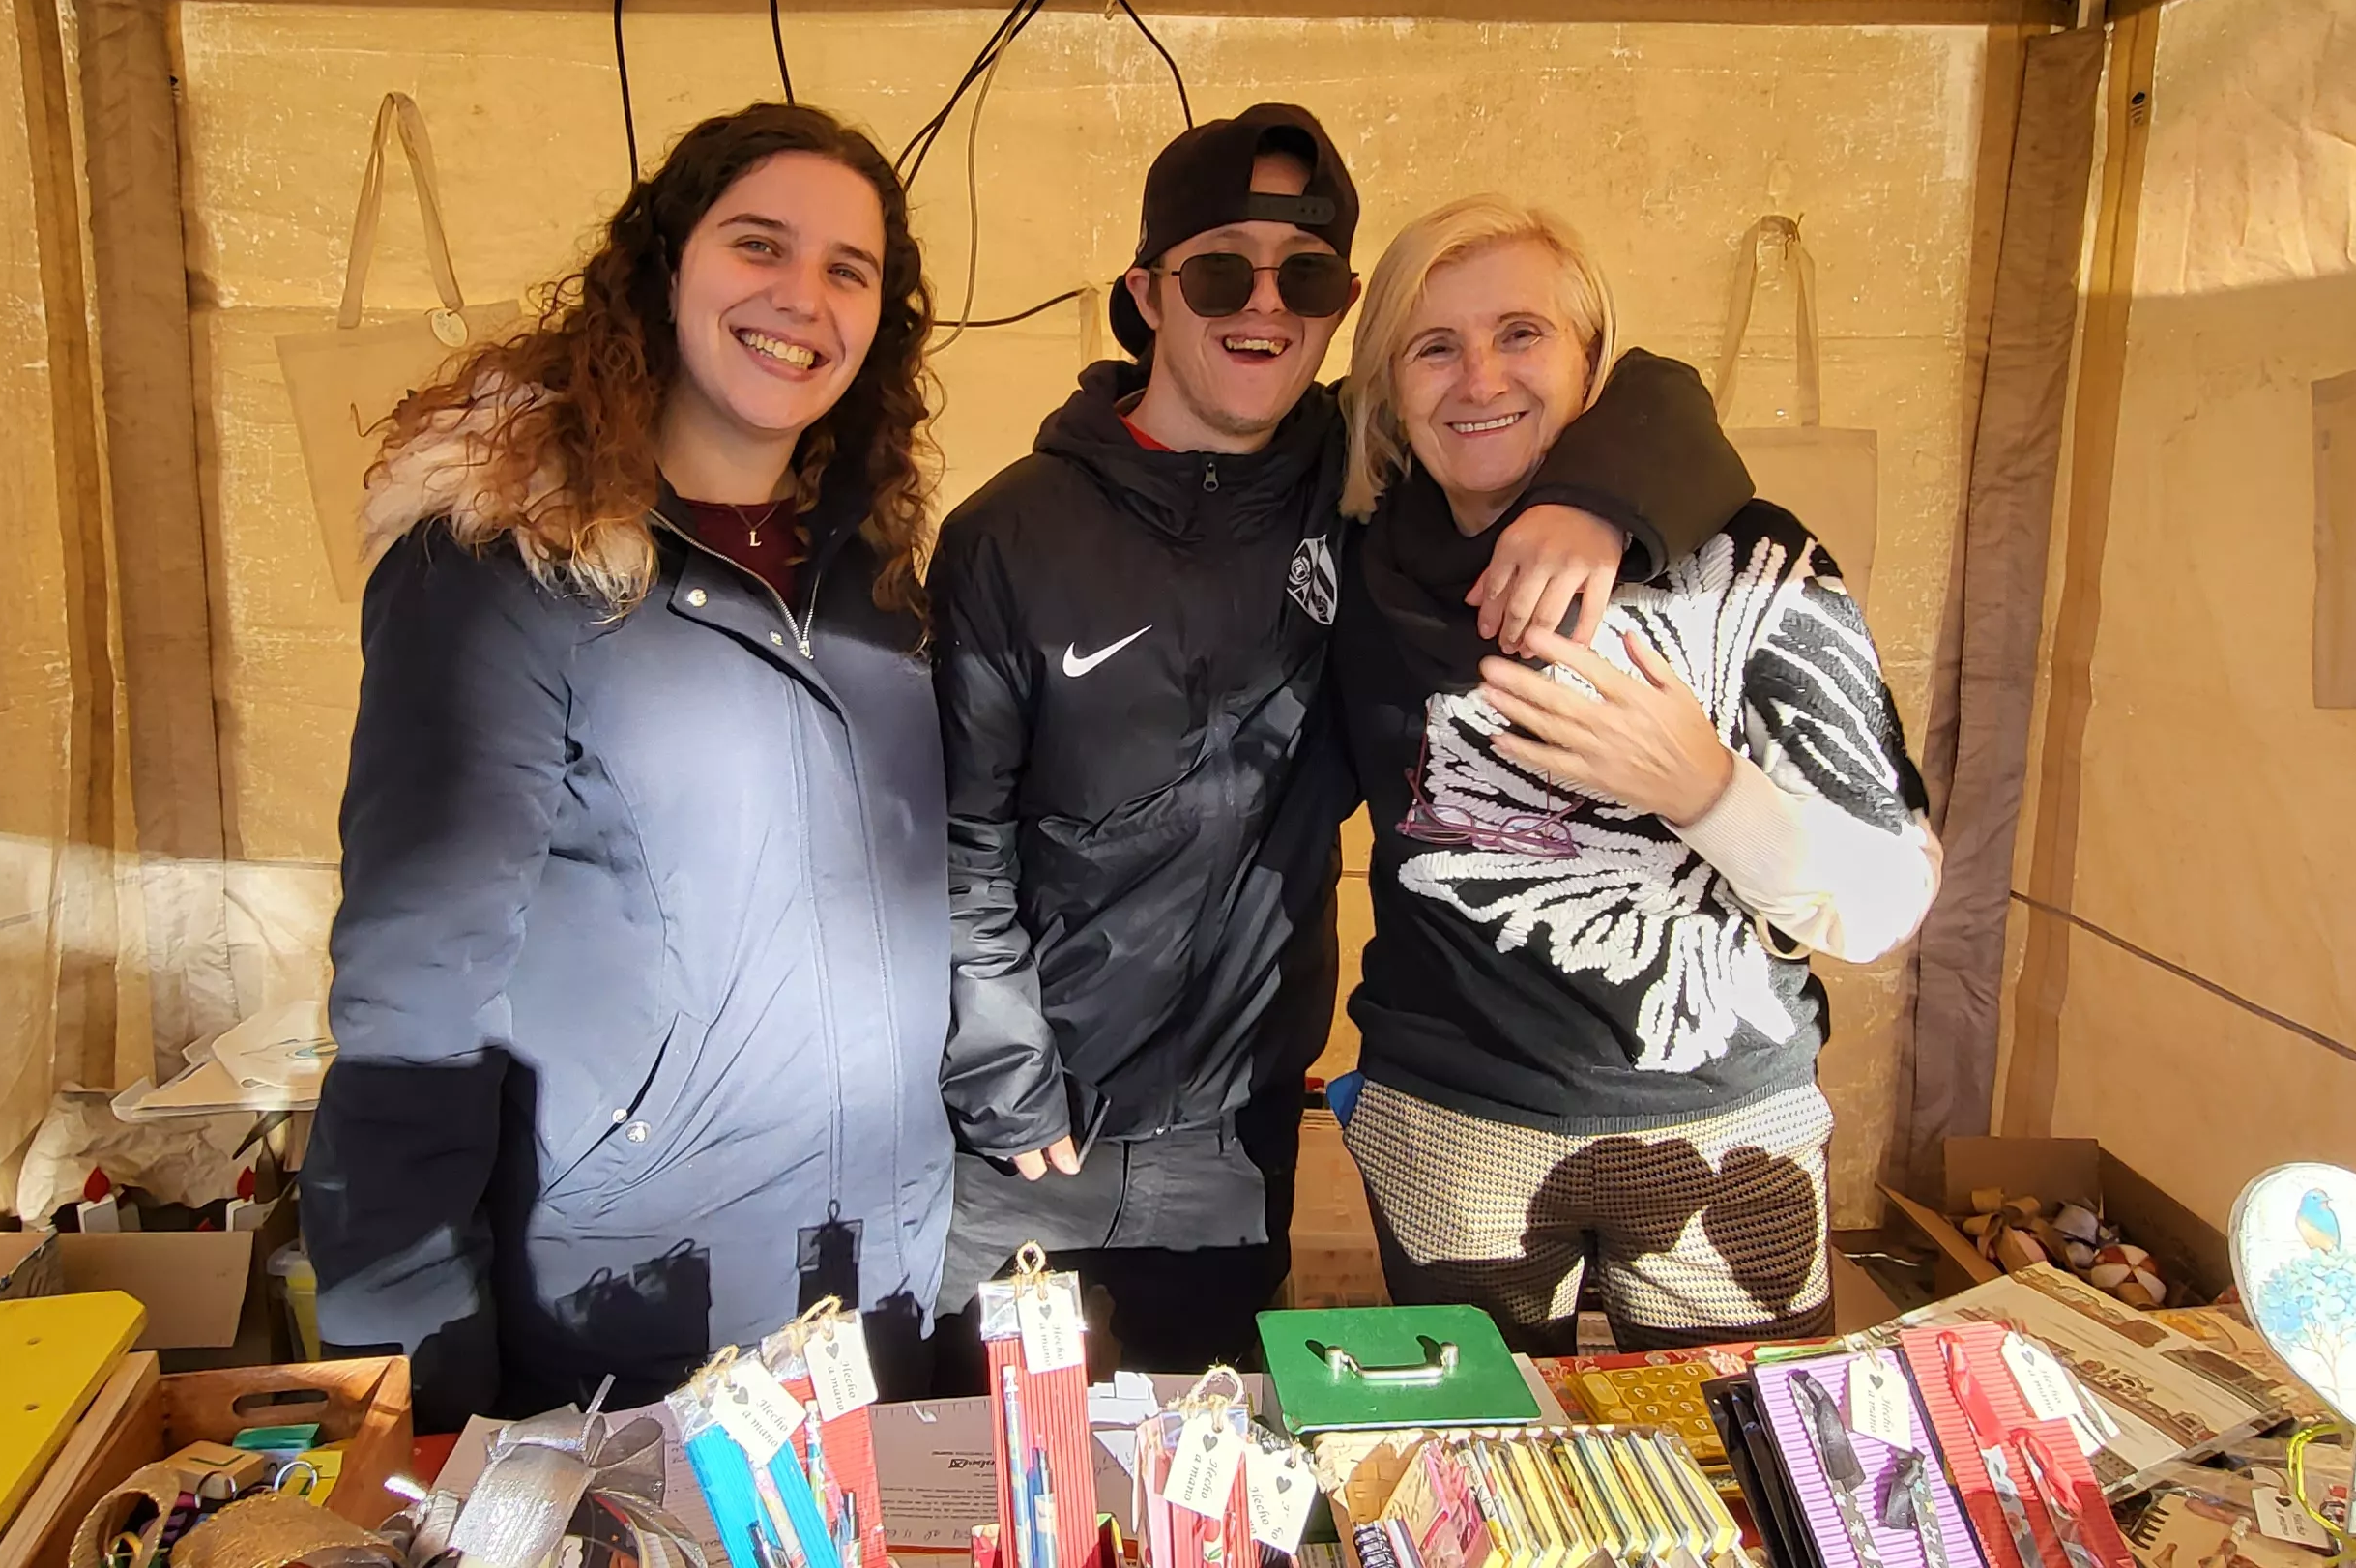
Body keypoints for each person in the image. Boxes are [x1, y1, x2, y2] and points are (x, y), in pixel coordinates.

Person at [927, 106, 1751, 1379]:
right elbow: (960, 829)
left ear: (1342, 304)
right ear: (1147, 293)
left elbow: (1656, 394)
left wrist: (1599, 504)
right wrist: (995, 1044)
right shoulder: (1010, 532)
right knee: (1010, 1486)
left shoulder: (1363, 479)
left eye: (1304, 277)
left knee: (1200, 1485)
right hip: (1028, 1133)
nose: (1263, 307)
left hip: (1233, 1126)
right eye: (1220, 272)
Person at [303, 102, 951, 1428]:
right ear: (665, 271)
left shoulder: (873, 582)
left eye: (849, 269)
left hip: (879, 1294)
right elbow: (413, 1008)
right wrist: (414, 1403)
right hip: (640, 1320)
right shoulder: (505, 576)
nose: (801, 298)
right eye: (758, 245)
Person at [1326, 194, 1940, 1351]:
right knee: (1491, 1491)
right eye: (1434, 345)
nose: (1478, 379)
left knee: (1737, 1473)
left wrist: (1704, 788)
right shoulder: (1357, 569)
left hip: (1725, 1130)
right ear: (1388, 386)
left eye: (1522, 334)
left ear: (1592, 362)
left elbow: (1886, 902)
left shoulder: (1751, 564)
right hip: (1456, 1131)